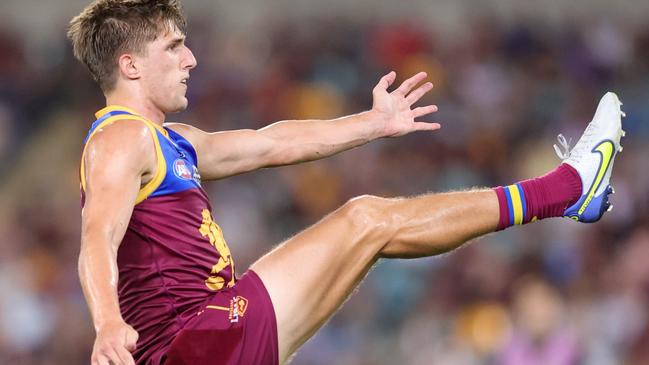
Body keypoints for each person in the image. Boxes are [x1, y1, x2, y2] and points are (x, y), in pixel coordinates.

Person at [67, 1, 625, 364]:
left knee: (369, 227)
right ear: (131, 66)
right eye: (173, 46)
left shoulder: (172, 140)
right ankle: (566, 189)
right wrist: (109, 323)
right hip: (188, 345)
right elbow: (97, 236)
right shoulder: (120, 140)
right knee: (366, 219)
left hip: (209, 331)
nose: (191, 58)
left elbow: (272, 142)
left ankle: (569, 191)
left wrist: (373, 123)